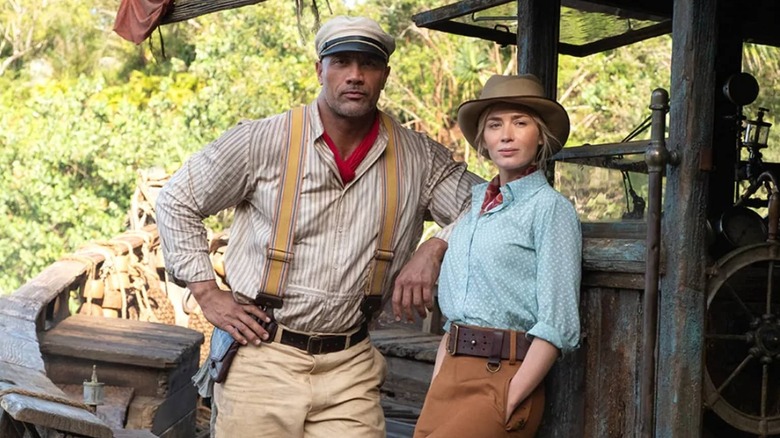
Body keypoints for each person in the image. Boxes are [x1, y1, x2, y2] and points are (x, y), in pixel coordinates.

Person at [155, 15, 482, 438]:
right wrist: (205, 292)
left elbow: (494, 204)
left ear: (384, 75)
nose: (355, 76)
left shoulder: (419, 158)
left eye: (368, 65)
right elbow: (178, 199)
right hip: (261, 357)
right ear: (319, 70)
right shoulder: (264, 140)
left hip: (351, 367)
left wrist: (435, 246)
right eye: (342, 62)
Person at [412, 74, 582, 438]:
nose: (506, 135)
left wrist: (510, 397)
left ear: (540, 136)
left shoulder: (550, 209)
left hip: (502, 375)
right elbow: (456, 316)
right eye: (495, 125)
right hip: (449, 377)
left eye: (520, 123)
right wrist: (441, 375)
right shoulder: (474, 209)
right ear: (484, 141)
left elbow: (558, 323)